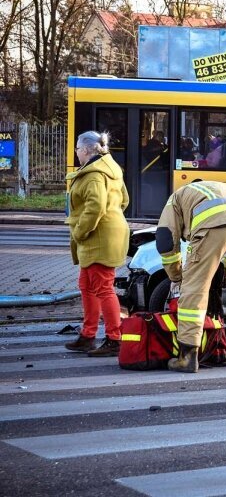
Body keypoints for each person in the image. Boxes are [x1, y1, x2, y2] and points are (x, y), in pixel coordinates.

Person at [156, 180, 226, 372]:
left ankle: (187, 357)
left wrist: (177, 276)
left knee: (195, 288)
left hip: (214, 223)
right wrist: (225, 271)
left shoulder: (178, 195)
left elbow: (165, 238)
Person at [65, 131, 130, 356]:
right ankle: (88, 334)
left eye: (77, 148)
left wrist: (82, 231)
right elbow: (124, 200)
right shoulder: (110, 169)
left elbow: (95, 207)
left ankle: (115, 339)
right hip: (105, 232)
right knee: (87, 284)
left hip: (97, 236)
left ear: (86, 150)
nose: (75, 152)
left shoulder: (94, 174)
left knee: (103, 287)